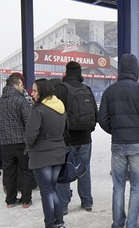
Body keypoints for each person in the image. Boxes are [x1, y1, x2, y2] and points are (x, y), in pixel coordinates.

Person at [98, 53, 139, 228]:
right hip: (137, 144)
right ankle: (131, 227)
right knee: (136, 186)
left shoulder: (109, 91)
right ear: (135, 70)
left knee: (118, 186)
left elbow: (102, 119)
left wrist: (115, 132)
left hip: (118, 144)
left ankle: (117, 223)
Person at [25, 79, 67, 228]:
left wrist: (28, 146)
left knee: (46, 192)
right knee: (53, 189)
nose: (32, 93)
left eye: (35, 91)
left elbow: (30, 134)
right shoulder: (60, 107)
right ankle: (60, 225)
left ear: (42, 91)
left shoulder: (38, 109)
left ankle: (49, 227)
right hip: (58, 153)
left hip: (41, 154)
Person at [55, 61, 98, 214]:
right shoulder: (87, 89)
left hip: (66, 138)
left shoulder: (60, 89)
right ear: (80, 73)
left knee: (65, 169)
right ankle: (87, 201)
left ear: (66, 73)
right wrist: (88, 129)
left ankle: (63, 205)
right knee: (84, 169)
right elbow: (95, 113)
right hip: (85, 137)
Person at [0, 75, 34, 208]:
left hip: (5, 143)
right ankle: (26, 200)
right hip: (22, 142)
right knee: (26, 170)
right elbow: (29, 121)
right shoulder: (21, 101)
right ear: (15, 85)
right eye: (21, 85)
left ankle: (10, 200)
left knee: (9, 172)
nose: (23, 88)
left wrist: (4, 131)